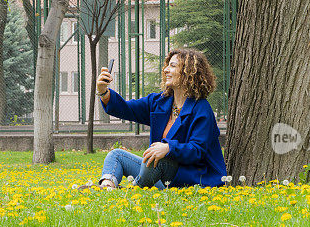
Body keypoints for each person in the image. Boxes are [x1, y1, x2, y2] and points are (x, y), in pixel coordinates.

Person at [94, 47, 228, 189]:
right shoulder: (160, 101)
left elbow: (197, 150)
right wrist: (103, 92)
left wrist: (169, 148)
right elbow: (127, 109)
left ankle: (133, 190)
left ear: (188, 72)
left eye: (173, 66)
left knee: (158, 158)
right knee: (117, 155)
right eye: (167, 65)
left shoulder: (201, 109)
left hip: (191, 179)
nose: (166, 70)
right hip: (158, 175)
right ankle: (107, 186)